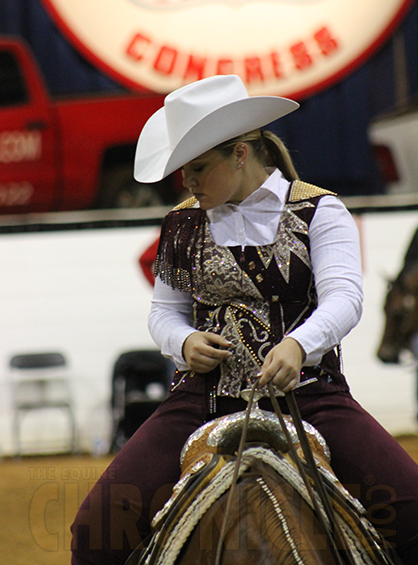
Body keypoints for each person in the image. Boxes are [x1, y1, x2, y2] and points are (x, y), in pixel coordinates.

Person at [71, 75, 418, 565]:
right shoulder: (181, 223)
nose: (187, 183)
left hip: (311, 395)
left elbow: (345, 298)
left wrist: (299, 345)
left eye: (197, 168)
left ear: (240, 153)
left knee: (413, 510)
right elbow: (164, 313)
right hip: (200, 398)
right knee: (95, 528)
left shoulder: (320, 210)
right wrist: (184, 340)